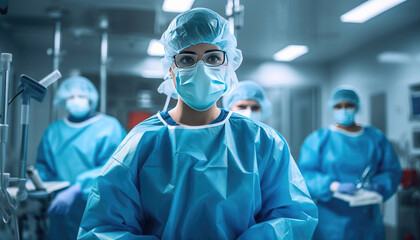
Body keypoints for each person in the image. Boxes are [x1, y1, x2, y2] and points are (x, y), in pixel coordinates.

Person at [78, 8, 317, 240]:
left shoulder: (262, 141)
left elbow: (293, 217)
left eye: (213, 57)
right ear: (171, 70)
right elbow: (104, 229)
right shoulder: (141, 143)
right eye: (187, 59)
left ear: (228, 65)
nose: (201, 68)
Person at [298, 87, 402, 240]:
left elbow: (391, 170)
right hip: (331, 220)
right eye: (338, 106)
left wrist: (381, 184)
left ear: (356, 107)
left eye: (348, 105)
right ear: (332, 108)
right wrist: (334, 186)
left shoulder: (375, 138)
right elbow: (306, 174)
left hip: (368, 217)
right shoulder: (319, 139)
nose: (344, 110)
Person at [35, 75, 126, 240]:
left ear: (91, 98)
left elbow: (114, 168)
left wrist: (77, 188)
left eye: (81, 96)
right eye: (70, 96)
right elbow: (44, 167)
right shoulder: (54, 131)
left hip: (98, 206)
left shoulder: (109, 127)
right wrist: (33, 181)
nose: (76, 100)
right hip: (61, 209)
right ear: (63, 100)